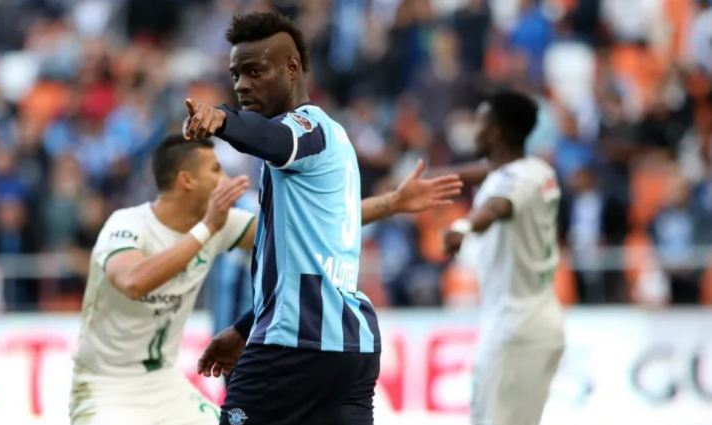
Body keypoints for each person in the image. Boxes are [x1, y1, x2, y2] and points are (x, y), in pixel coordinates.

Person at [69, 134, 462, 425]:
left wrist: (394, 203)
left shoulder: (217, 225)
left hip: (164, 384)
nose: (226, 178)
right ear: (187, 180)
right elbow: (134, 282)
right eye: (215, 170)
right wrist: (208, 229)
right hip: (106, 386)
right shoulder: (128, 225)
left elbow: (305, 228)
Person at [182, 12, 457, 425]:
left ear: (292, 68)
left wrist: (222, 119)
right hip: (351, 348)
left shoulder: (304, 128)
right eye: (236, 74)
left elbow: (272, 138)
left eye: (255, 71)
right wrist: (243, 328)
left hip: (294, 346)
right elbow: (300, 264)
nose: (241, 85)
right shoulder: (335, 138)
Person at [443, 91, 565, 425]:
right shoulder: (539, 170)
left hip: (514, 327)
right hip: (540, 321)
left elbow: (496, 207)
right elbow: (479, 174)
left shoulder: (510, 181)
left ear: (495, 132)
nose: (475, 131)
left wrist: (463, 226)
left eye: (480, 123)